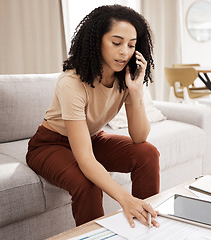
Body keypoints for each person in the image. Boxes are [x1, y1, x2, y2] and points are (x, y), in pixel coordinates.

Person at [26, 4, 160, 228]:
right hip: (50, 144)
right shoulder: (72, 83)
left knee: (147, 153)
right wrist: (125, 199)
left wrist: (136, 91)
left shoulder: (125, 78)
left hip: (92, 137)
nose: (124, 52)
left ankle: (148, 225)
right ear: (97, 40)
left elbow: (139, 138)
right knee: (86, 183)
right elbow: (86, 159)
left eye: (131, 45)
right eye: (116, 43)